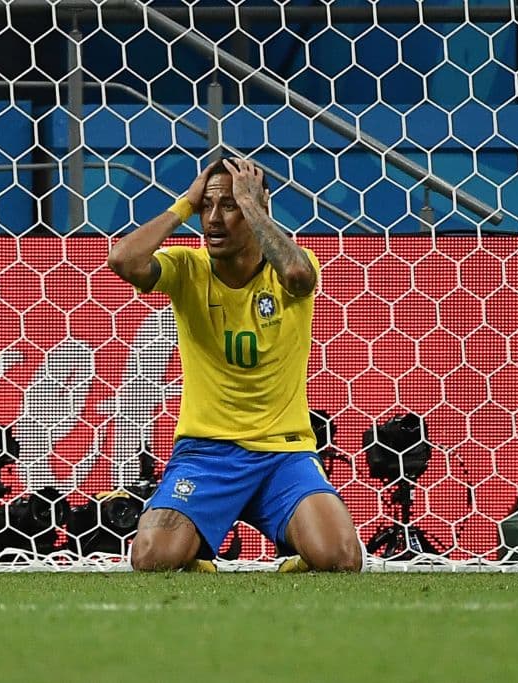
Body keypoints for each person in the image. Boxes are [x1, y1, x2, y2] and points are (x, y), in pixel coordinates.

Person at [106, 156, 363, 573]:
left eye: (229, 205)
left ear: (260, 208)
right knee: (152, 558)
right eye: (207, 207)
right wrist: (183, 205)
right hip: (206, 455)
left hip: (283, 454)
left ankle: (292, 549)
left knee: (341, 559)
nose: (214, 219)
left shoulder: (293, 268)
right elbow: (123, 261)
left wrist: (252, 205)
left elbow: (299, 274)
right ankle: (194, 552)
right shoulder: (187, 268)